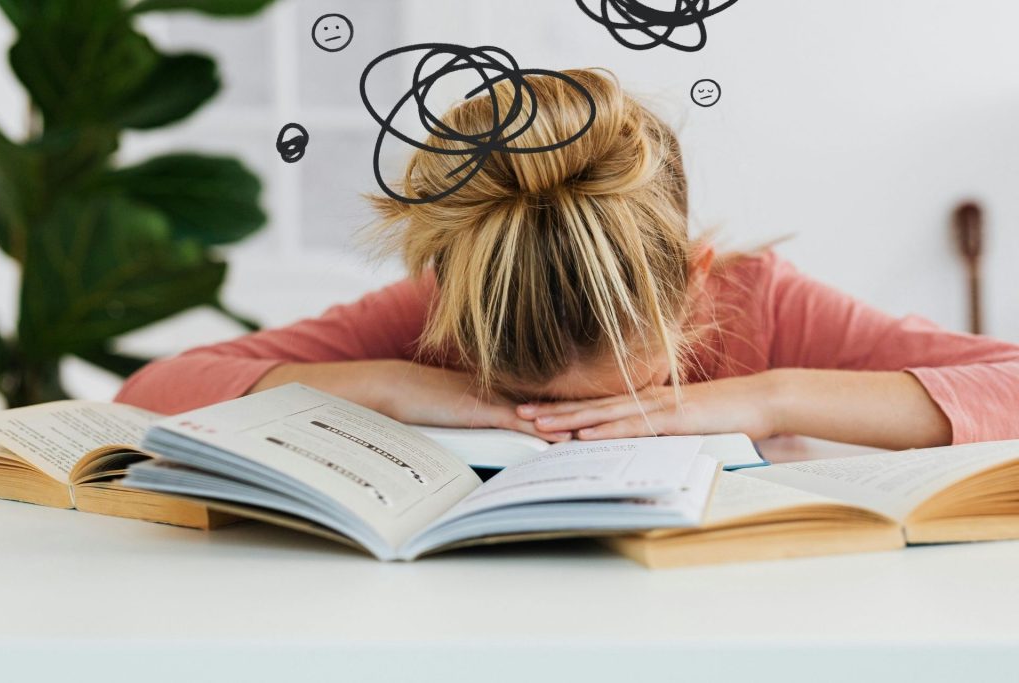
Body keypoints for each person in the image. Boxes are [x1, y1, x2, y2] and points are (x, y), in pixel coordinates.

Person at [115, 69, 1019, 450]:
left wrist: (765, 395)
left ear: (694, 280)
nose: (585, 434)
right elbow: (153, 389)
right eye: (536, 405)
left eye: (635, 399)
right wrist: (390, 385)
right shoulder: (435, 317)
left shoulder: (761, 305)